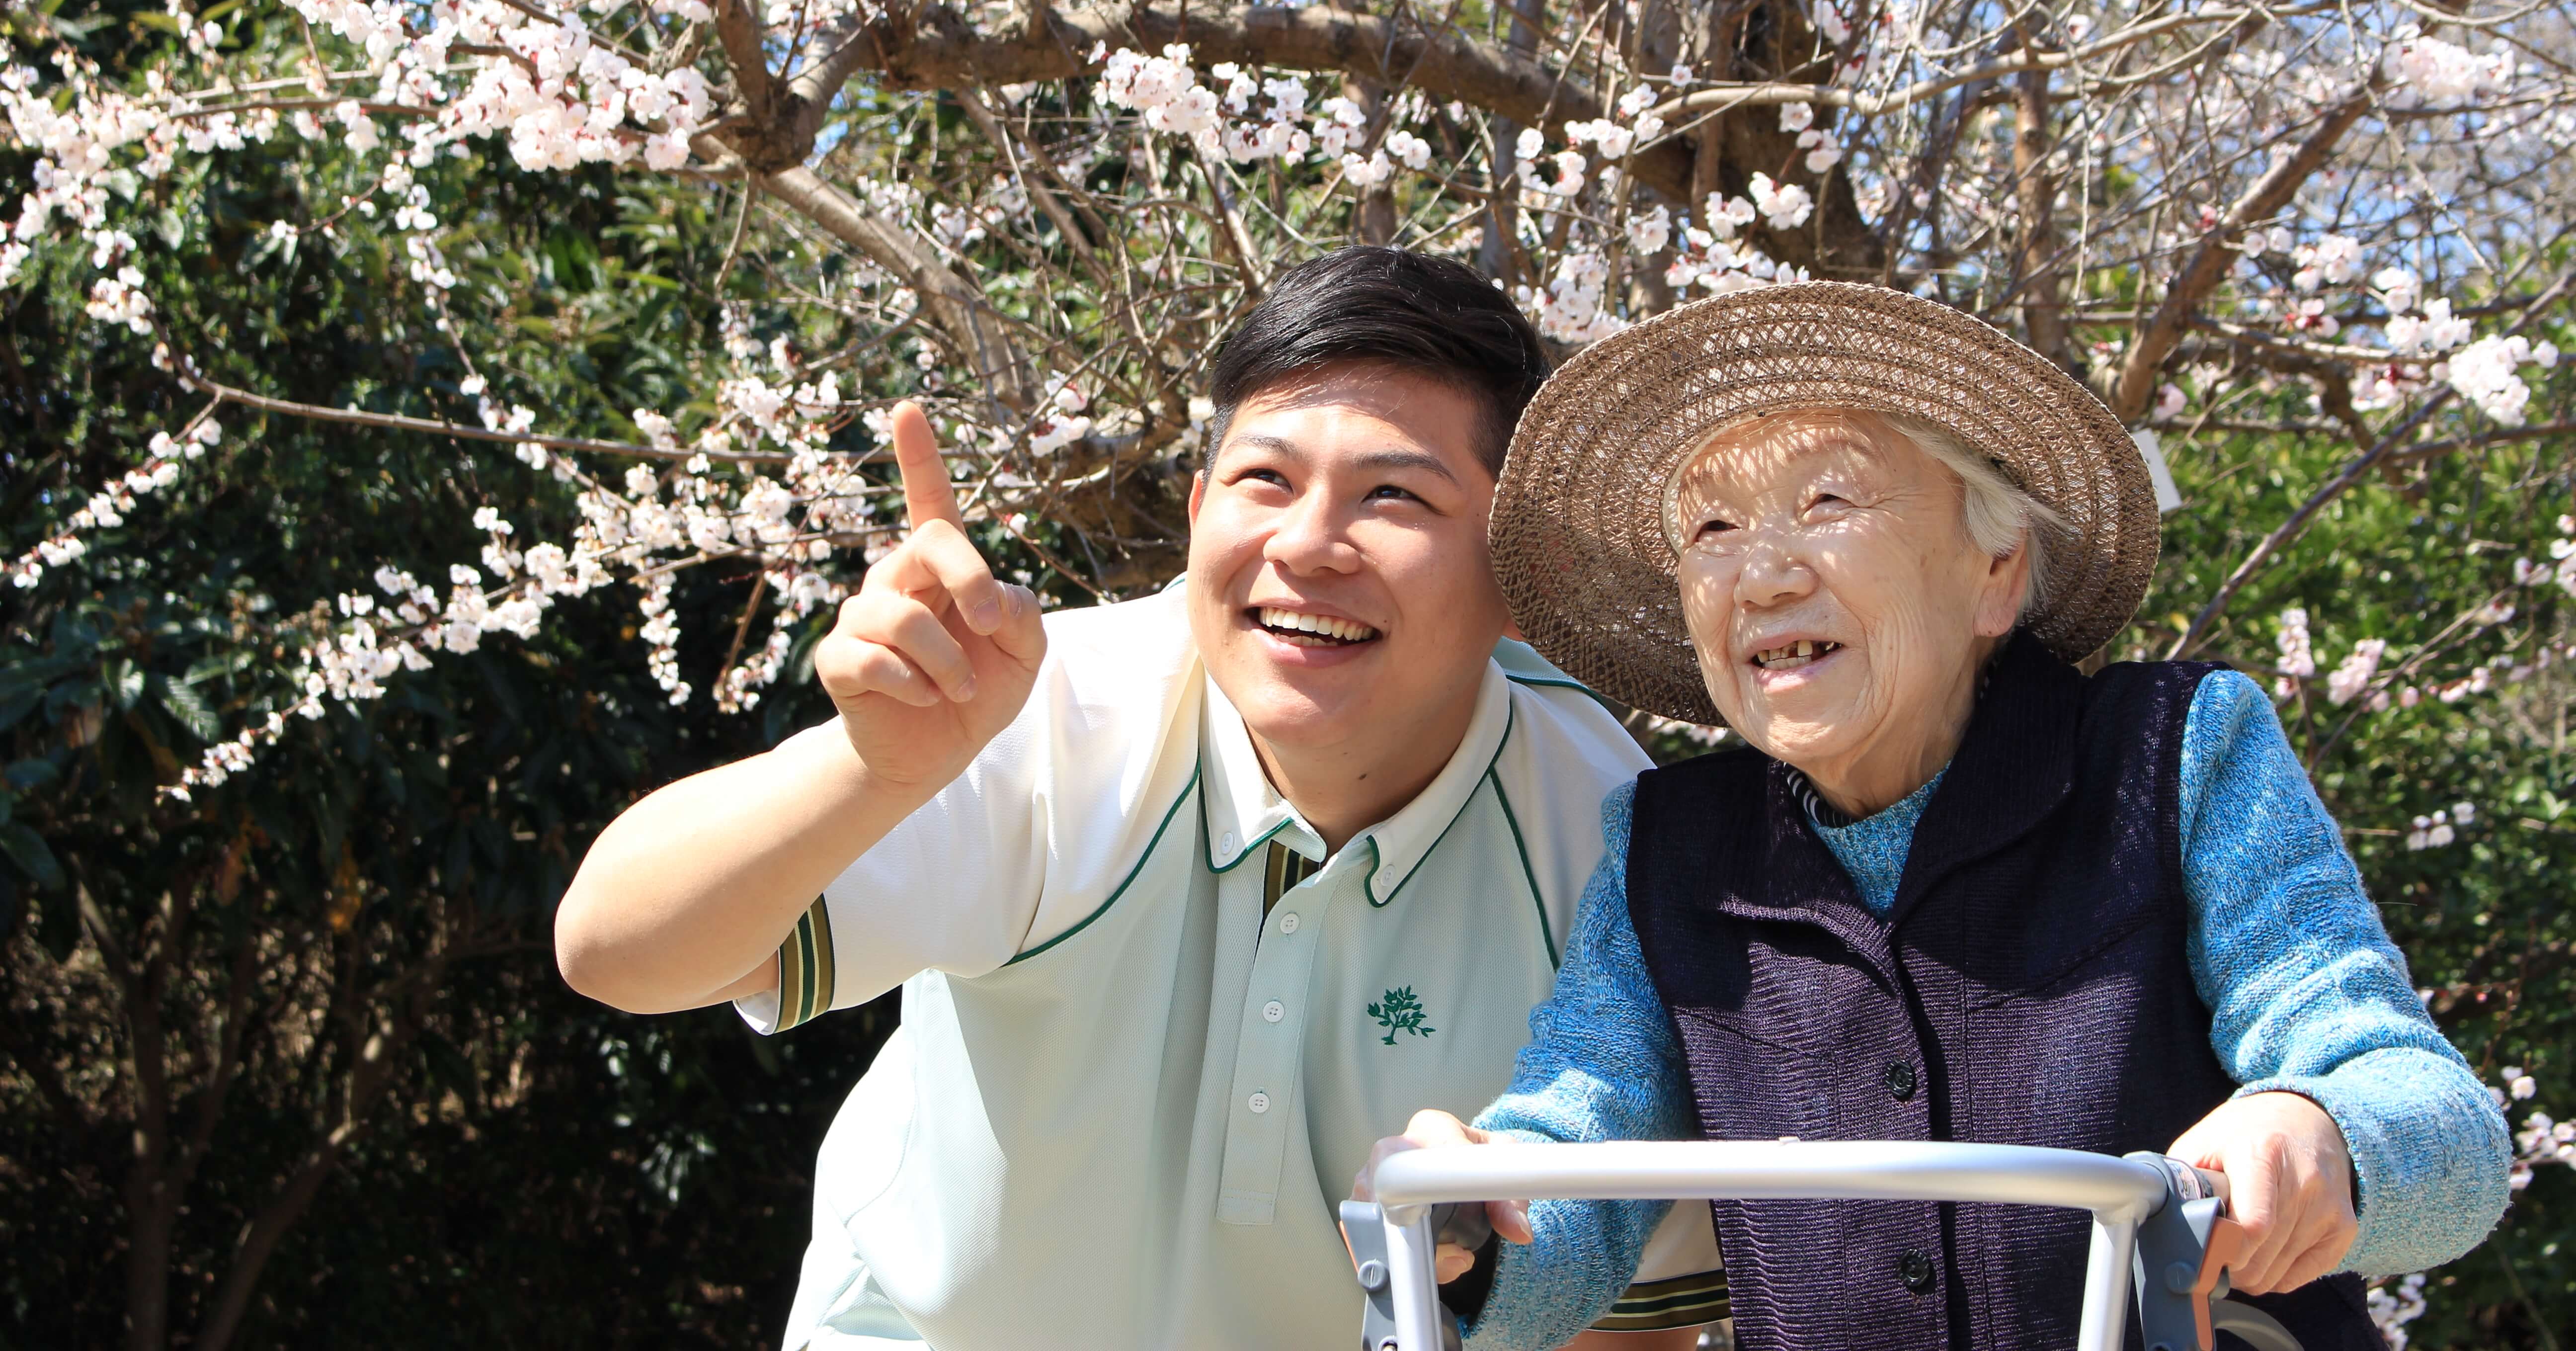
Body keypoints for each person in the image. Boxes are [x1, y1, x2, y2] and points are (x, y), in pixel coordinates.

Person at [554, 248, 1725, 1351]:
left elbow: (1626, 1317)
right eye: (1265, 478)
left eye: (1395, 499)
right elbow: (613, 951)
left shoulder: (1604, 836)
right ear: (1199, 504)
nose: (1308, 545)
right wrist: (873, 771)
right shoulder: (1047, 711)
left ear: (1522, 571)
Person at [1360, 280, 2510, 1351]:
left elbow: (2427, 1117)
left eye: (1826, 500)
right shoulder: (1670, 845)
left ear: (1998, 568)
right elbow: (1575, 1146)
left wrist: (2318, 1131)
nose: (1760, 576)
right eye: (1710, 531)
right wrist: (1475, 1213)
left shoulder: (2177, 752)